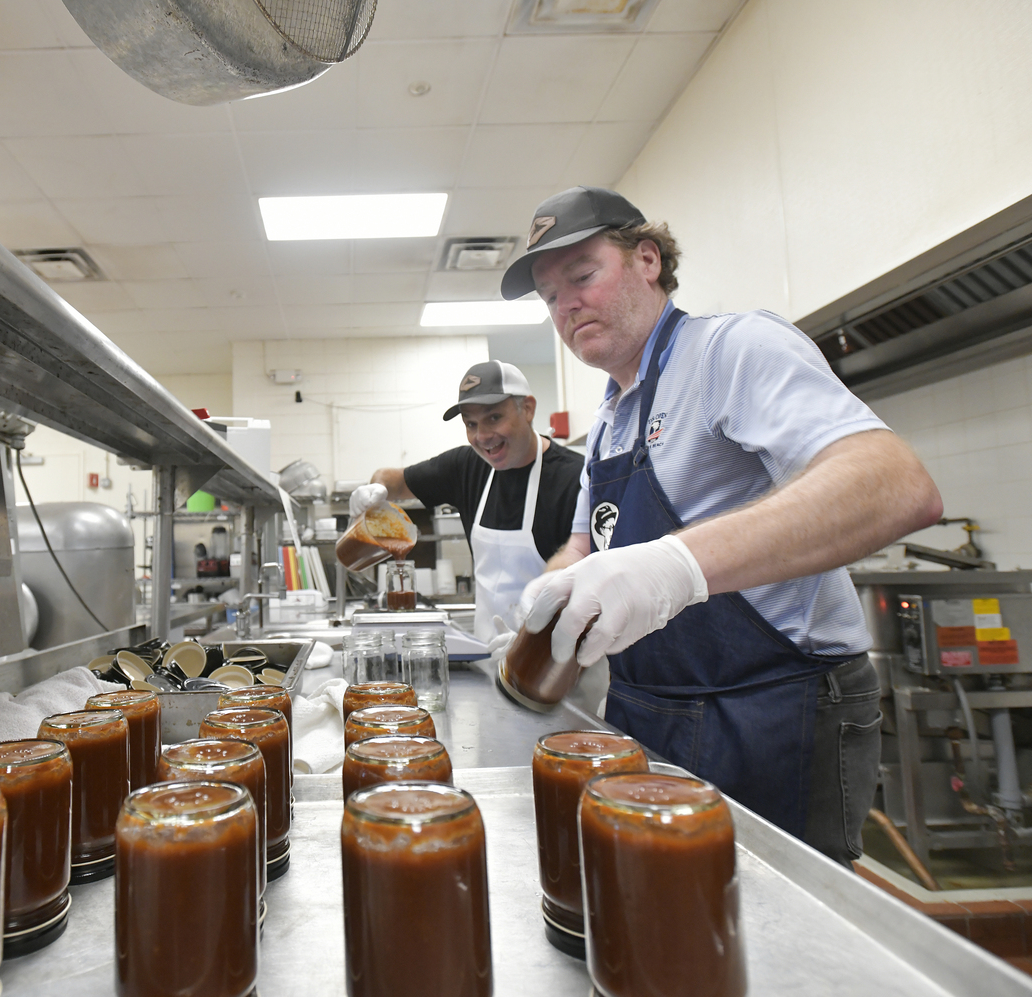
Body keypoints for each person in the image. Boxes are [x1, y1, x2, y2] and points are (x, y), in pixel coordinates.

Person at [497, 186, 942, 864]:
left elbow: (895, 484)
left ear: (647, 259)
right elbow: (587, 541)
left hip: (775, 709)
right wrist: (552, 589)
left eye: (582, 276)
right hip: (648, 709)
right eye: (550, 296)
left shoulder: (733, 350)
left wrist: (674, 566)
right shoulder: (612, 415)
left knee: (770, 939)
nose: (567, 305)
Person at [350, 361, 583, 640]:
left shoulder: (576, 476)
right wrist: (375, 489)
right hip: (488, 657)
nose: (482, 436)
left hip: (558, 657)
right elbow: (394, 479)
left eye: (494, 417)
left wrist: (532, 637)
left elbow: (579, 562)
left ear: (528, 408)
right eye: (470, 424)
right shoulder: (466, 466)